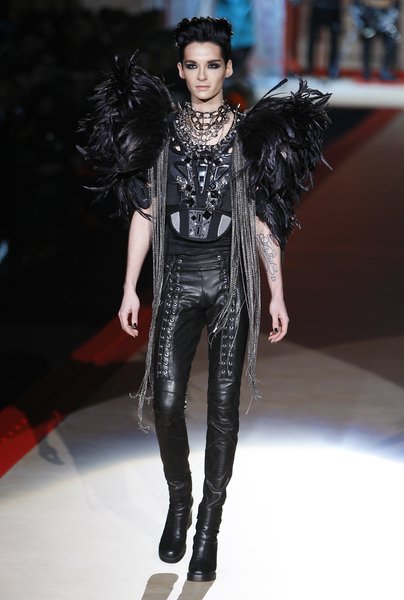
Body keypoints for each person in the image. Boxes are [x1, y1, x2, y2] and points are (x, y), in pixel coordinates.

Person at [79, 16, 330, 583]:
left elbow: (264, 222)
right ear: (180, 70)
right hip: (176, 281)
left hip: (231, 284)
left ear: (228, 68)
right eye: (192, 66)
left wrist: (277, 294)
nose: (201, 75)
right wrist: (129, 286)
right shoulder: (162, 134)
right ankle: (180, 501)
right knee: (166, 403)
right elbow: (145, 213)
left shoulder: (249, 136)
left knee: (222, 410)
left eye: (211, 65)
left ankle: (208, 528)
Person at [350, 0, 401, 80]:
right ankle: (366, 71)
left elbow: (396, 3)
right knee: (367, 42)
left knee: (391, 42)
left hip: (386, 14)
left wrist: (391, 13)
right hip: (368, 13)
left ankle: (385, 70)